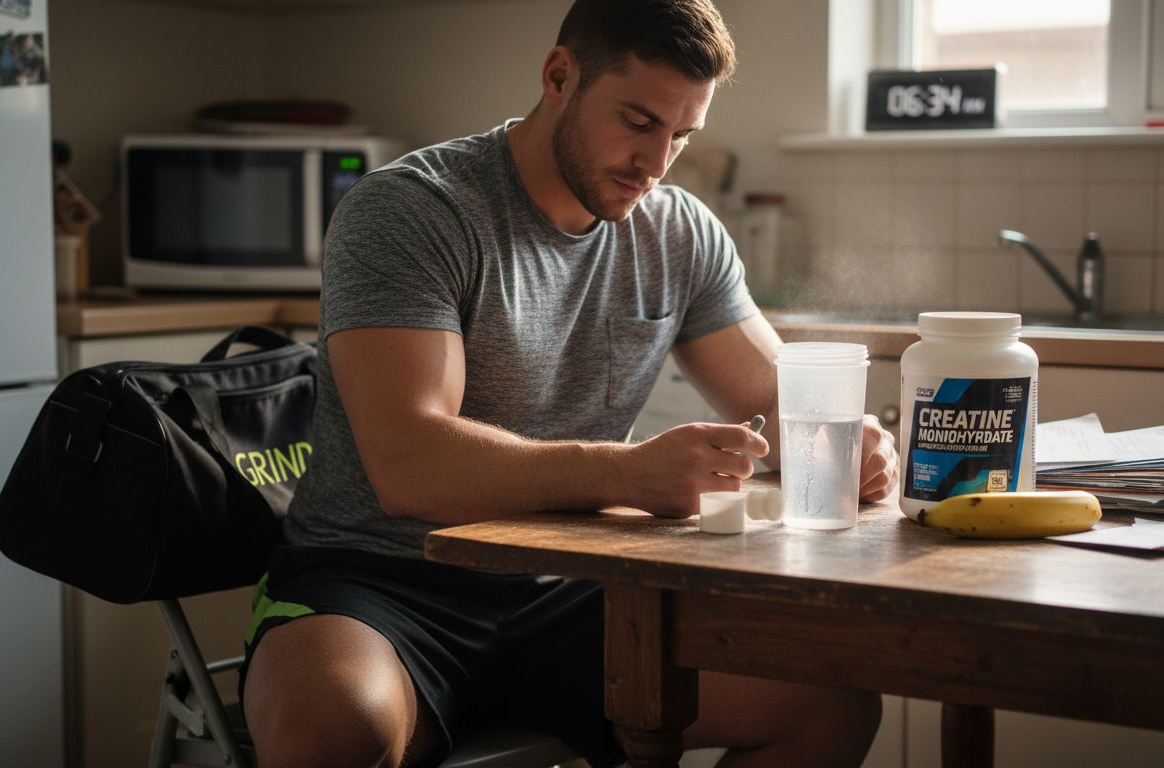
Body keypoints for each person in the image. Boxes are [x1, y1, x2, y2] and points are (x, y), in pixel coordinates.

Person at [241, 1, 899, 766]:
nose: (655, 164)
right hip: (380, 583)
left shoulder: (678, 232)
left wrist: (839, 443)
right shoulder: (412, 209)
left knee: (829, 702)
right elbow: (408, 464)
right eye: (638, 121)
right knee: (328, 733)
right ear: (559, 76)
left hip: (573, 588)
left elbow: (777, 401)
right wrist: (627, 472)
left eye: (681, 136)